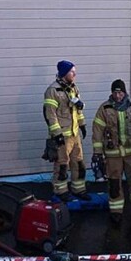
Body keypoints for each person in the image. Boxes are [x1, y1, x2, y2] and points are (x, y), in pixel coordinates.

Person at [92, 79, 131, 226]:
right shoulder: (104, 108)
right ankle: (116, 212)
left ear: (125, 92)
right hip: (113, 155)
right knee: (114, 185)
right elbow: (97, 131)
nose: (117, 96)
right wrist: (97, 153)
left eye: (120, 92)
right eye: (115, 93)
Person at [43, 60, 89, 201]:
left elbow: (77, 110)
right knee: (62, 165)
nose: (74, 74)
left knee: (78, 163)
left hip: (75, 135)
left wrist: (82, 124)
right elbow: (50, 115)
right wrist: (57, 134)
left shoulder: (73, 88)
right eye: (72, 72)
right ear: (64, 73)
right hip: (62, 136)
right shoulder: (53, 91)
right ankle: (60, 191)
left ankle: (78, 189)